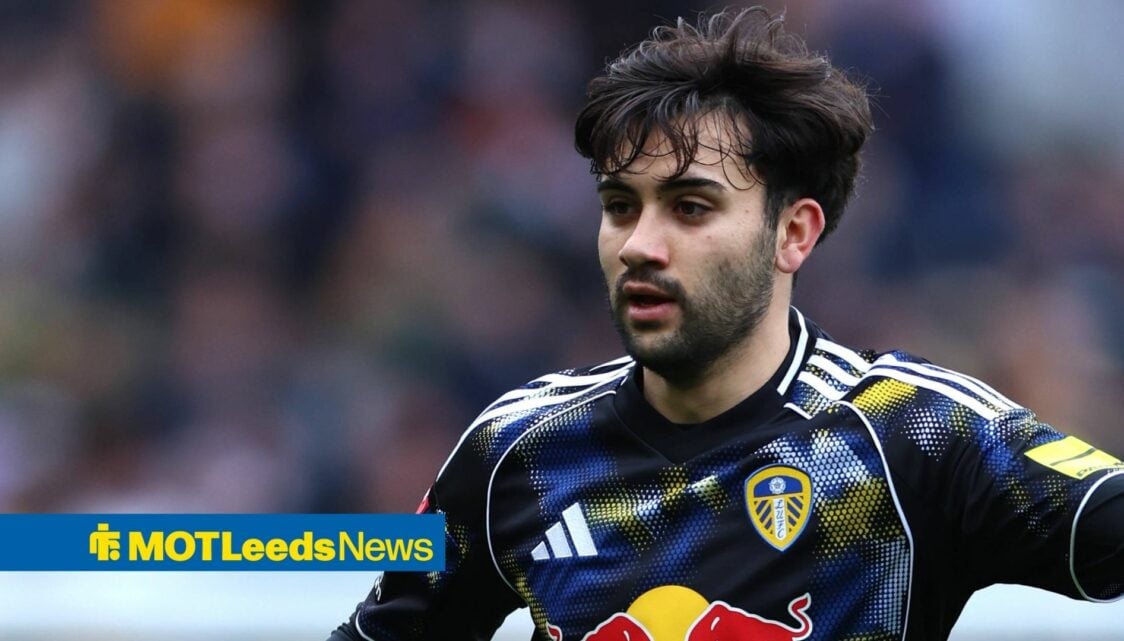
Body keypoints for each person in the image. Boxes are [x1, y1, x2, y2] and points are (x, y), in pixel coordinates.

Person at [326, 7, 1124, 640]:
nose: (639, 244)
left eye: (691, 207)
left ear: (794, 233)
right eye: (618, 207)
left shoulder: (909, 433)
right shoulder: (518, 452)